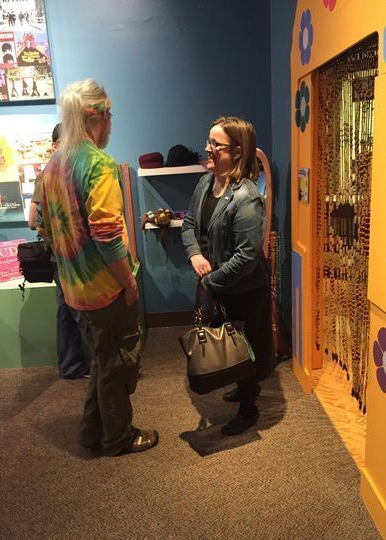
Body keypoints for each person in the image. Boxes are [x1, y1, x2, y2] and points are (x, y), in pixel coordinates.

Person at [38, 78, 158, 455]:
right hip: (105, 288)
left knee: (101, 359)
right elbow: (107, 235)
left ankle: (91, 431)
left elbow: (44, 227)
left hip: (73, 287)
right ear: (97, 115)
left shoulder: (53, 165)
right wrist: (128, 281)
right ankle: (118, 438)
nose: (111, 124)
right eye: (110, 115)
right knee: (119, 363)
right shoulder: (97, 164)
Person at [181, 116, 275, 436]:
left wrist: (211, 282)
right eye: (208, 141)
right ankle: (244, 386)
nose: (207, 149)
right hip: (221, 285)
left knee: (246, 346)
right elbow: (188, 224)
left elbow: (247, 258)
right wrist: (195, 254)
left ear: (237, 151)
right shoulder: (206, 183)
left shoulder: (247, 198)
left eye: (215, 145)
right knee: (229, 344)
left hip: (246, 290)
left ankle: (249, 409)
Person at [29, 123, 90, 380]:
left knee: (66, 310)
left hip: (57, 255)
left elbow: (34, 221)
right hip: (73, 256)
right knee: (80, 311)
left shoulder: (45, 175)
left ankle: (71, 365)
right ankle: (101, 364)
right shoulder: (67, 174)